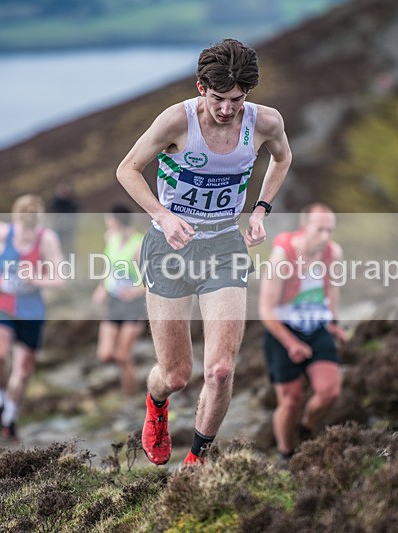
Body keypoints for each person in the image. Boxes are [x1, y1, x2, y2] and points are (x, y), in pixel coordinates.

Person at [116, 39, 292, 465]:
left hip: (224, 245)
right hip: (169, 246)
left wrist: (260, 211)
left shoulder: (264, 122)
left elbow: (283, 159)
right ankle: (156, 405)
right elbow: (127, 169)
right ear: (201, 88)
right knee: (176, 375)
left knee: (219, 370)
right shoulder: (176, 122)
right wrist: (163, 214)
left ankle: (197, 459)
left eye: (237, 99)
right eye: (218, 99)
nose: (227, 109)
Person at [0, 194, 65, 441]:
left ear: (37, 223)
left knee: (22, 372)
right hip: (1, 303)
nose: (24, 235)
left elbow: (60, 278)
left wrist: (34, 279)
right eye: (21, 228)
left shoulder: (46, 240)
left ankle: (9, 418)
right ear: (15, 219)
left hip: (31, 309)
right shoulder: (3, 233)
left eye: (29, 229)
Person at [258, 203, 347, 461]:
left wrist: (334, 322)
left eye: (329, 230)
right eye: (319, 230)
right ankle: (286, 455)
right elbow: (265, 311)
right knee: (291, 400)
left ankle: (306, 427)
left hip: (317, 326)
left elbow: (331, 290)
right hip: (282, 331)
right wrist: (290, 343)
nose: (325, 237)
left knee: (330, 392)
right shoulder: (281, 256)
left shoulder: (333, 253)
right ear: (304, 227)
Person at [92, 204, 147, 396]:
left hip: (134, 305)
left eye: (109, 219)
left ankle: (131, 397)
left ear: (116, 221)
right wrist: (102, 286)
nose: (107, 222)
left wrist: (135, 291)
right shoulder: (110, 238)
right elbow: (109, 267)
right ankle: (126, 387)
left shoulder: (139, 244)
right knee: (105, 354)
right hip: (114, 301)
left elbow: (153, 279)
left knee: (123, 356)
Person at [48, 182, 79, 257]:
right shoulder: (57, 201)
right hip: (58, 225)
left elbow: (75, 210)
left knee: (69, 243)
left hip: (69, 225)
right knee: (59, 241)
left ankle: (70, 257)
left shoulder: (71, 201)